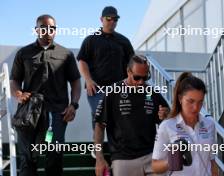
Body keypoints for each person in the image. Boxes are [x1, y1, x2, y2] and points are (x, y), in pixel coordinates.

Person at [10, 14, 81, 176]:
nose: (48, 31)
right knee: (28, 157)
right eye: (44, 27)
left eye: (52, 28)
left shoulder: (66, 54)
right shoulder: (24, 53)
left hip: (57, 113)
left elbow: (76, 81)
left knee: (54, 155)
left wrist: (73, 104)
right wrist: (18, 94)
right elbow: (14, 80)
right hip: (29, 113)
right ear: (37, 30)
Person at [94, 55, 170, 176]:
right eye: (137, 77)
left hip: (151, 155)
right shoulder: (112, 92)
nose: (141, 82)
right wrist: (99, 158)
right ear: (128, 71)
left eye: (145, 78)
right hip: (123, 159)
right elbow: (99, 126)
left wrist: (166, 117)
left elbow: (168, 121)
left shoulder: (152, 92)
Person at [77, 6, 134, 138]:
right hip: (97, 88)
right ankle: (98, 151)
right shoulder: (91, 39)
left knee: (119, 119)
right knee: (99, 118)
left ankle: (117, 151)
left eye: (115, 19)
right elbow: (82, 60)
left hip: (119, 89)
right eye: (109, 18)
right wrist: (88, 80)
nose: (112, 21)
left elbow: (132, 64)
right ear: (101, 19)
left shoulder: (124, 41)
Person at [151, 72, 218, 176]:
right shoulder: (167, 126)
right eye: (190, 101)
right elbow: (155, 166)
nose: (196, 107)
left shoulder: (210, 125)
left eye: (200, 102)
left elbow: (212, 162)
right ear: (180, 98)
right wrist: (171, 161)